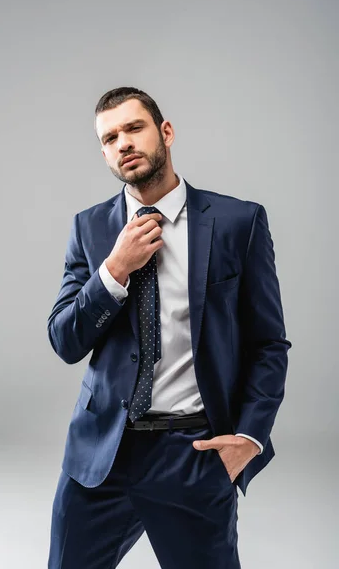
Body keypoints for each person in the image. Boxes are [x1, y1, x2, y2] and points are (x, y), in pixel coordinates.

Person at [47, 86, 292, 568]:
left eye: (134, 128)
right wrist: (114, 270)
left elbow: (268, 344)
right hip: (101, 456)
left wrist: (249, 438)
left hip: (193, 453)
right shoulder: (91, 228)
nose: (123, 143)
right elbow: (65, 340)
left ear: (166, 132)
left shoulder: (238, 221)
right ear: (103, 152)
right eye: (110, 137)